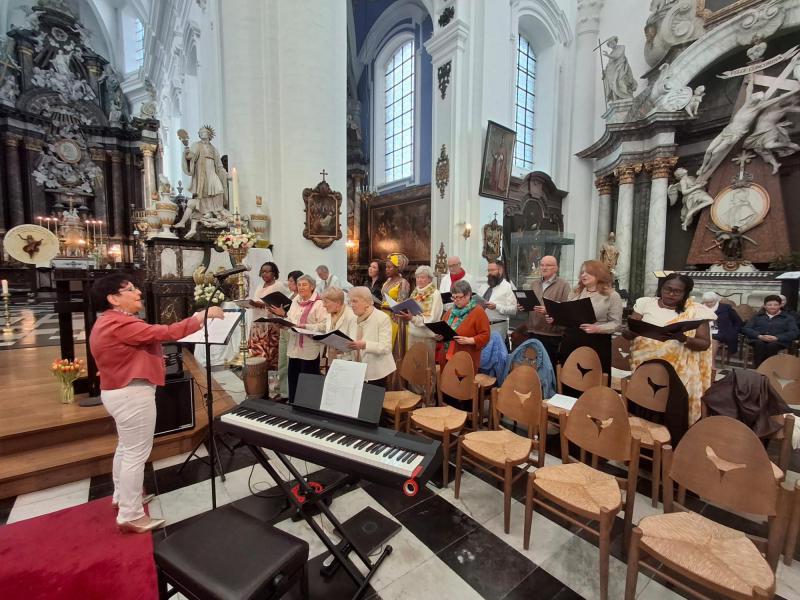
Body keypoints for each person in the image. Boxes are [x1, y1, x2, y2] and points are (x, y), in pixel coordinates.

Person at [89, 274, 223, 533]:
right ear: (113, 298)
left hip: (120, 391)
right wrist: (200, 317)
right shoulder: (118, 323)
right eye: (130, 290)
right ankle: (131, 515)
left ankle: (122, 497)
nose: (138, 292)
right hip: (131, 394)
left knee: (126, 449)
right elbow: (165, 332)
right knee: (136, 455)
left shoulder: (110, 321)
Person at [622, 273, 716, 425]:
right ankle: (640, 437)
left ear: (686, 293)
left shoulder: (697, 311)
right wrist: (633, 331)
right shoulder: (645, 303)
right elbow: (626, 334)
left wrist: (683, 338)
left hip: (679, 372)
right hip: (644, 366)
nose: (671, 294)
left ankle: (669, 440)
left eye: (677, 291)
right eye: (667, 289)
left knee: (669, 407)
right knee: (643, 401)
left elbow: (704, 344)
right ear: (661, 288)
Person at [551, 260, 622, 389]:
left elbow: (616, 323)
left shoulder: (612, 295)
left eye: (588, 272)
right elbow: (568, 315)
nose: (584, 275)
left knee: (591, 381)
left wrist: (597, 328)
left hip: (596, 342)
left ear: (599, 274)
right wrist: (556, 318)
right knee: (570, 379)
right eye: (582, 272)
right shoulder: (575, 292)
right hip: (572, 341)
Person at [270, 274, 326, 402]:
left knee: (308, 381)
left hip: (309, 349)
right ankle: (294, 404)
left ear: (312, 287)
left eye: (304, 285)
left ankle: (308, 407)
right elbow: (290, 319)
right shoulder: (296, 301)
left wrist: (304, 326)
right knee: (293, 379)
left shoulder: (319, 303)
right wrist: (283, 323)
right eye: (299, 285)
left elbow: (323, 326)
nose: (301, 288)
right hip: (294, 347)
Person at [524, 255, 571, 366]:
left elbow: (566, 310)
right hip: (533, 331)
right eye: (542, 265)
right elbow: (531, 305)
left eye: (548, 265)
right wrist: (523, 306)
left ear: (556, 268)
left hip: (551, 334)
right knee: (533, 365)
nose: (544, 268)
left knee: (548, 367)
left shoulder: (563, 285)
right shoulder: (534, 284)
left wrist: (549, 310)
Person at [346, 286, 396, 387]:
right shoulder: (352, 318)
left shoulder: (382, 318)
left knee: (373, 401)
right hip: (356, 369)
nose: (352, 305)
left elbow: (386, 347)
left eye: (355, 301)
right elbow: (350, 340)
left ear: (367, 302)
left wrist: (364, 345)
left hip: (377, 371)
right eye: (350, 302)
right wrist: (343, 347)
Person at [438, 280, 491, 371]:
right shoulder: (451, 311)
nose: (456, 301)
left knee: (462, 384)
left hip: (466, 358)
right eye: (453, 298)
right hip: (447, 358)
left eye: (459, 297)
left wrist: (470, 340)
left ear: (468, 295)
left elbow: (486, 335)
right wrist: (439, 336)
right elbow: (443, 329)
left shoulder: (478, 312)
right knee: (447, 384)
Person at [398, 265, 443, 372]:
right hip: (413, 334)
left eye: (423, 277)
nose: (419, 280)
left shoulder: (435, 294)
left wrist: (412, 318)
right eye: (418, 277)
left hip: (426, 336)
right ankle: (412, 389)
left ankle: (427, 389)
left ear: (429, 279)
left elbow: (432, 318)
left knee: (425, 368)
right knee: (413, 366)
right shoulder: (415, 292)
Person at [247, 262, 288, 371]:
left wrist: (262, 305)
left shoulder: (278, 285)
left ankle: (272, 380)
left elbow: (283, 305)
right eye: (262, 271)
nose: (264, 274)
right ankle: (259, 379)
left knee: (270, 354)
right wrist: (251, 304)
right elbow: (257, 301)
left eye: (267, 271)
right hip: (257, 325)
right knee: (257, 354)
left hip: (270, 325)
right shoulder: (260, 286)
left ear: (274, 273)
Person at [742, 295, 799, 367]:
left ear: (780, 305)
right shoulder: (757, 316)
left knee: (772, 346)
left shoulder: (788, 318)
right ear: (765, 306)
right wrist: (759, 336)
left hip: (778, 341)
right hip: (758, 339)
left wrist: (777, 337)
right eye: (769, 305)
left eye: (775, 305)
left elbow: (794, 332)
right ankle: (759, 368)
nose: (772, 307)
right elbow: (746, 328)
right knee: (759, 344)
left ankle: (769, 369)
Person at [276, 270, 303, 399]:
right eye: (289, 280)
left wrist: (283, 314)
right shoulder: (291, 296)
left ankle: (291, 393)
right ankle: (283, 392)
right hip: (283, 330)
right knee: (281, 363)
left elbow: (297, 319)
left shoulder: (301, 298)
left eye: (291, 281)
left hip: (291, 331)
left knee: (289, 363)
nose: (289, 283)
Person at [477, 260, 517, 339]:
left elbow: (513, 310)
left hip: (497, 327)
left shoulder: (508, 287)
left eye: (492, 270)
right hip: (481, 327)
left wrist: (496, 307)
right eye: (488, 270)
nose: (489, 273)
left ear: (500, 270)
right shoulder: (484, 286)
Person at [381, 253, 411, 356]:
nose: (387, 269)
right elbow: (383, 298)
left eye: (389, 267)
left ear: (397, 268)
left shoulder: (403, 283)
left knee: (394, 350)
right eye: (386, 267)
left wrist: (386, 306)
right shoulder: (387, 281)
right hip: (384, 316)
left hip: (395, 319)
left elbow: (402, 305)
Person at [318, 286, 358, 363]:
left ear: (338, 303)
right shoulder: (330, 313)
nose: (323, 305)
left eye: (326, 302)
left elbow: (355, 342)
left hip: (347, 359)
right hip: (331, 356)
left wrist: (344, 348)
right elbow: (324, 327)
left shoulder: (351, 316)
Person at [701, 291, 742, 357]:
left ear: (716, 300)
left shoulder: (726, 308)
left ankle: (711, 363)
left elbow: (737, 321)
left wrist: (734, 331)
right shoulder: (700, 308)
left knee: (713, 339)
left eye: (711, 302)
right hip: (704, 331)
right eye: (706, 302)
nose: (708, 304)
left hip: (722, 331)